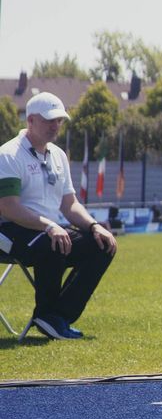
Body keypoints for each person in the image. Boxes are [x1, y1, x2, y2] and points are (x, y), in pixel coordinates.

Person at [0, 93, 117, 340]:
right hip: (9, 230)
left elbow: (69, 204)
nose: (55, 126)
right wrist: (50, 225)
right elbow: (8, 207)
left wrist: (95, 226)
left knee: (102, 245)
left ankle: (58, 316)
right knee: (53, 242)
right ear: (30, 120)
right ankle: (47, 315)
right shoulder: (9, 154)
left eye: (60, 121)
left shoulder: (58, 156)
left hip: (47, 231)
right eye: (49, 120)